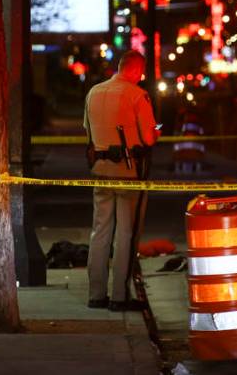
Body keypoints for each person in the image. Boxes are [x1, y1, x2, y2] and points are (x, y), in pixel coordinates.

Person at [83, 50, 160, 311]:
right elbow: (148, 138)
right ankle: (119, 296)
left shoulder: (93, 92)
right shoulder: (136, 95)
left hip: (100, 171)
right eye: (141, 72)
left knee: (100, 231)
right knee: (126, 233)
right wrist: (156, 131)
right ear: (136, 70)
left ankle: (96, 294)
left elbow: (88, 131)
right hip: (128, 174)